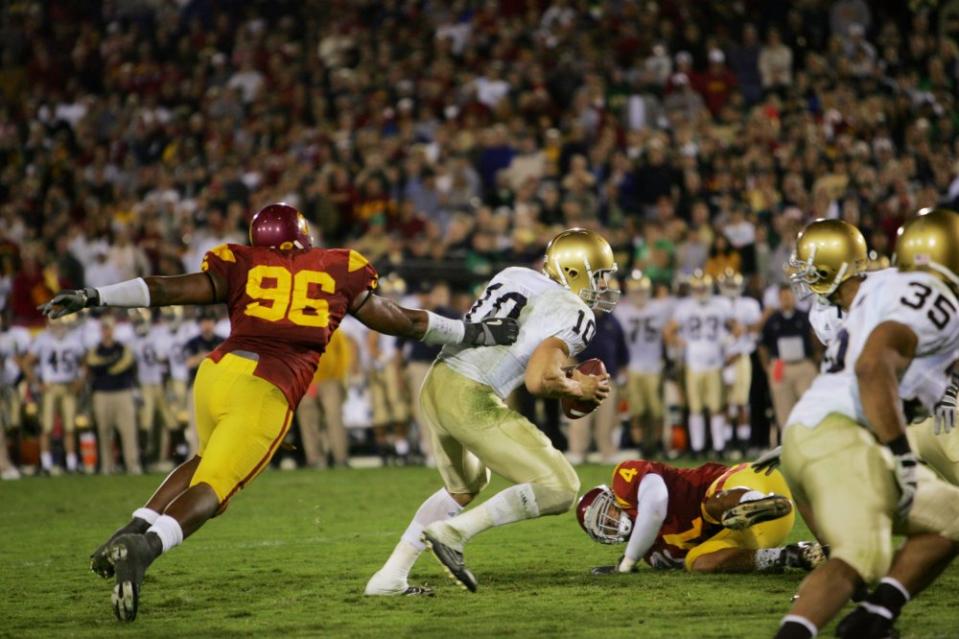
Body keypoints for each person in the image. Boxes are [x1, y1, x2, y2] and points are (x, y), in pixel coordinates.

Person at [39, 203, 519, 622]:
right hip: (266, 387)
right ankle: (146, 549)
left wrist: (93, 296)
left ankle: (132, 530)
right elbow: (402, 322)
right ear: (304, 235)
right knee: (216, 488)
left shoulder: (240, 261)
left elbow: (166, 289)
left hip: (216, 373)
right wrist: (472, 333)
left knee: (204, 460)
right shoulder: (337, 268)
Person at [365, 228, 616, 596]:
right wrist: (580, 387)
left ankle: (389, 578)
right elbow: (537, 379)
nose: (605, 286)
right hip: (471, 395)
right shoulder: (575, 311)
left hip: (437, 383)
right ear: (574, 272)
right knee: (561, 487)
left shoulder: (513, 275)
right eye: (599, 276)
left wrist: (565, 376)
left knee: (464, 486)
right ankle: (454, 533)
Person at [770, 212, 959, 639]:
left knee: (951, 514)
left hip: (816, 432)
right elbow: (873, 365)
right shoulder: (934, 297)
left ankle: (874, 617)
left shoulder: (881, 288)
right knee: (860, 555)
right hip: (845, 434)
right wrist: (902, 457)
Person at [577, 459, 823, 574]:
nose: (608, 522)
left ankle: (754, 502)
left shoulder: (626, 480)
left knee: (710, 506)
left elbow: (655, 506)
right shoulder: (656, 556)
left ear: (612, 496)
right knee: (698, 561)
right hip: (762, 535)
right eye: (600, 527)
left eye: (605, 511)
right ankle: (789, 556)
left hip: (752, 482)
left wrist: (629, 561)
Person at [665, 270, 737, 457]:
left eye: (703, 287)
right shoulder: (684, 306)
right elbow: (668, 331)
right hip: (693, 363)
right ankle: (697, 448)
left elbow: (736, 327)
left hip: (715, 362)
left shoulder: (721, 305)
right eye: (697, 287)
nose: (700, 290)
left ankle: (719, 447)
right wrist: (678, 342)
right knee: (695, 408)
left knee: (716, 407)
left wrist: (729, 342)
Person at [612, 273, 673, 457]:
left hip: (654, 366)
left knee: (656, 410)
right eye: (635, 291)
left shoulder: (660, 307)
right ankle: (641, 446)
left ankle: (657, 443)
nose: (639, 294)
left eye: (642, 290)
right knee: (637, 411)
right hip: (633, 367)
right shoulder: (621, 310)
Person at [567, 302, 629, 465]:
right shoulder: (577, 320)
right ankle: (577, 451)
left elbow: (622, 351)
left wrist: (621, 378)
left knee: (606, 420)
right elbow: (567, 349)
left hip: (607, 378)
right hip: (582, 378)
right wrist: (574, 374)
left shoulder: (613, 321)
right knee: (580, 418)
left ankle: (607, 451)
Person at [25, 315, 86, 474]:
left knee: (70, 427)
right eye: (55, 323)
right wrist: (37, 383)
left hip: (68, 387)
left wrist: (80, 380)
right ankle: (46, 465)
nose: (58, 326)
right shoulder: (42, 339)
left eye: (60, 323)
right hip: (50, 387)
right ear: (49, 324)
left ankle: (71, 465)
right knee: (47, 427)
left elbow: (84, 362)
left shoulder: (74, 339)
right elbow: (27, 362)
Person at [759, 285, 818, 434]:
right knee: (783, 408)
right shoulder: (773, 320)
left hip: (803, 364)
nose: (786, 300)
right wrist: (767, 366)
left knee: (809, 404)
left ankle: (810, 436)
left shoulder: (804, 317)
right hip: (780, 366)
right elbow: (762, 345)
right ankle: (787, 442)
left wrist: (815, 360)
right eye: (783, 297)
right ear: (779, 299)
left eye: (788, 296)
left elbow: (815, 339)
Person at [87, 315, 140, 475]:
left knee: (128, 431)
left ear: (113, 329)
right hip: (102, 394)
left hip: (122, 392)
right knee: (103, 432)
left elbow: (126, 366)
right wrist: (112, 363)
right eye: (103, 328)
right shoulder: (95, 350)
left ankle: (132, 465)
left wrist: (106, 366)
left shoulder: (123, 348)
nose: (106, 332)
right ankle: (107, 466)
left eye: (108, 328)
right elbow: (94, 366)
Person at [718, 269, 763, 452]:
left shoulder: (749, 304)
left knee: (742, 402)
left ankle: (744, 441)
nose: (731, 288)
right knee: (726, 403)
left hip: (742, 356)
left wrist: (742, 329)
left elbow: (756, 330)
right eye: (728, 284)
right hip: (720, 358)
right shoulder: (716, 304)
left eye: (733, 284)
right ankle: (727, 441)